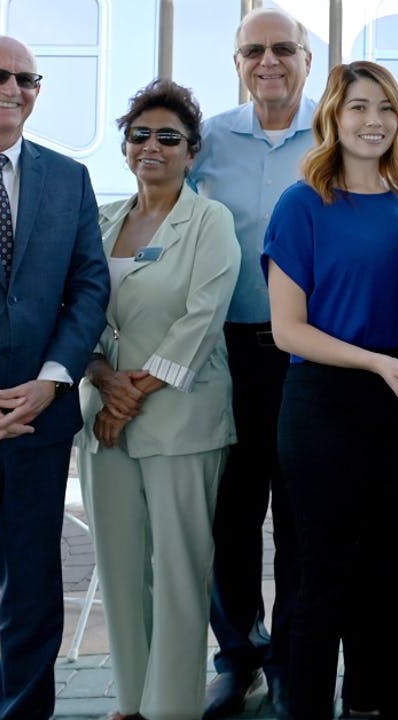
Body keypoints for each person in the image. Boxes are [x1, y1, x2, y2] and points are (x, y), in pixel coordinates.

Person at [264, 60, 398, 720]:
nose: (374, 121)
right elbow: (288, 330)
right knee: (324, 573)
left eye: (386, 109)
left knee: (389, 569)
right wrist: (372, 364)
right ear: (333, 119)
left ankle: (367, 703)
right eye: (359, 107)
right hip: (326, 401)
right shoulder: (302, 203)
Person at [77, 79, 240, 720]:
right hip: (103, 418)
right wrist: (100, 378)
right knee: (119, 564)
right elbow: (81, 307)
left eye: (168, 137)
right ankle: (130, 699)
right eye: (140, 134)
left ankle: (171, 706)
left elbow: (202, 318)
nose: (152, 146)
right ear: (124, 147)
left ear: (191, 152)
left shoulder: (210, 220)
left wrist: (129, 394)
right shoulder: (102, 219)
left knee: (178, 567)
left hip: (179, 415)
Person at [0, 34, 108, 719]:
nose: (13, 89)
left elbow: (89, 287)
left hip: (37, 417)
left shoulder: (68, 177)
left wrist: (53, 380)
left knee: (32, 588)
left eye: (27, 78)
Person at [186, 7, 313, 716]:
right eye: (253, 51)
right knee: (228, 517)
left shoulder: (341, 132)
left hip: (310, 358)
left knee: (303, 514)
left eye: (283, 49)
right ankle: (238, 657)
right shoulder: (204, 143)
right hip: (225, 354)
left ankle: (293, 657)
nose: (269, 62)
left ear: (306, 60)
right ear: (236, 62)